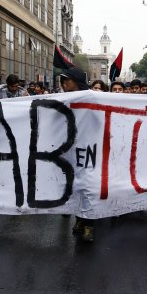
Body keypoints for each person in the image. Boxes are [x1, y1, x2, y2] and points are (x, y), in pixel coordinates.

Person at [58, 68, 97, 242]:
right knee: (73, 187)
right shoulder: (58, 98)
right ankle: (80, 219)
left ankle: (88, 224)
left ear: (77, 81)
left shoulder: (92, 98)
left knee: (87, 188)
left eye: (68, 80)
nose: (64, 83)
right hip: (68, 150)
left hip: (90, 150)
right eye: (63, 80)